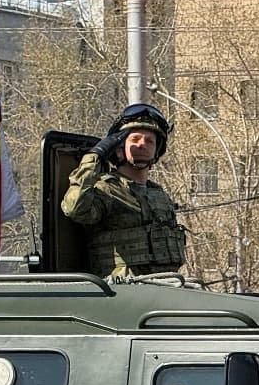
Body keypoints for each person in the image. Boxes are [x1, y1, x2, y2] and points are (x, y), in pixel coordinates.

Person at [61, 104, 186, 278]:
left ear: (156, 151)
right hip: (122, 293)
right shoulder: (107, 190)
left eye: (149, 141)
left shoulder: (159, 195)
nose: (142, 144)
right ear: (119, 150)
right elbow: (74, 208)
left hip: (165, 288)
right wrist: (94, 156)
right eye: (134, 140)